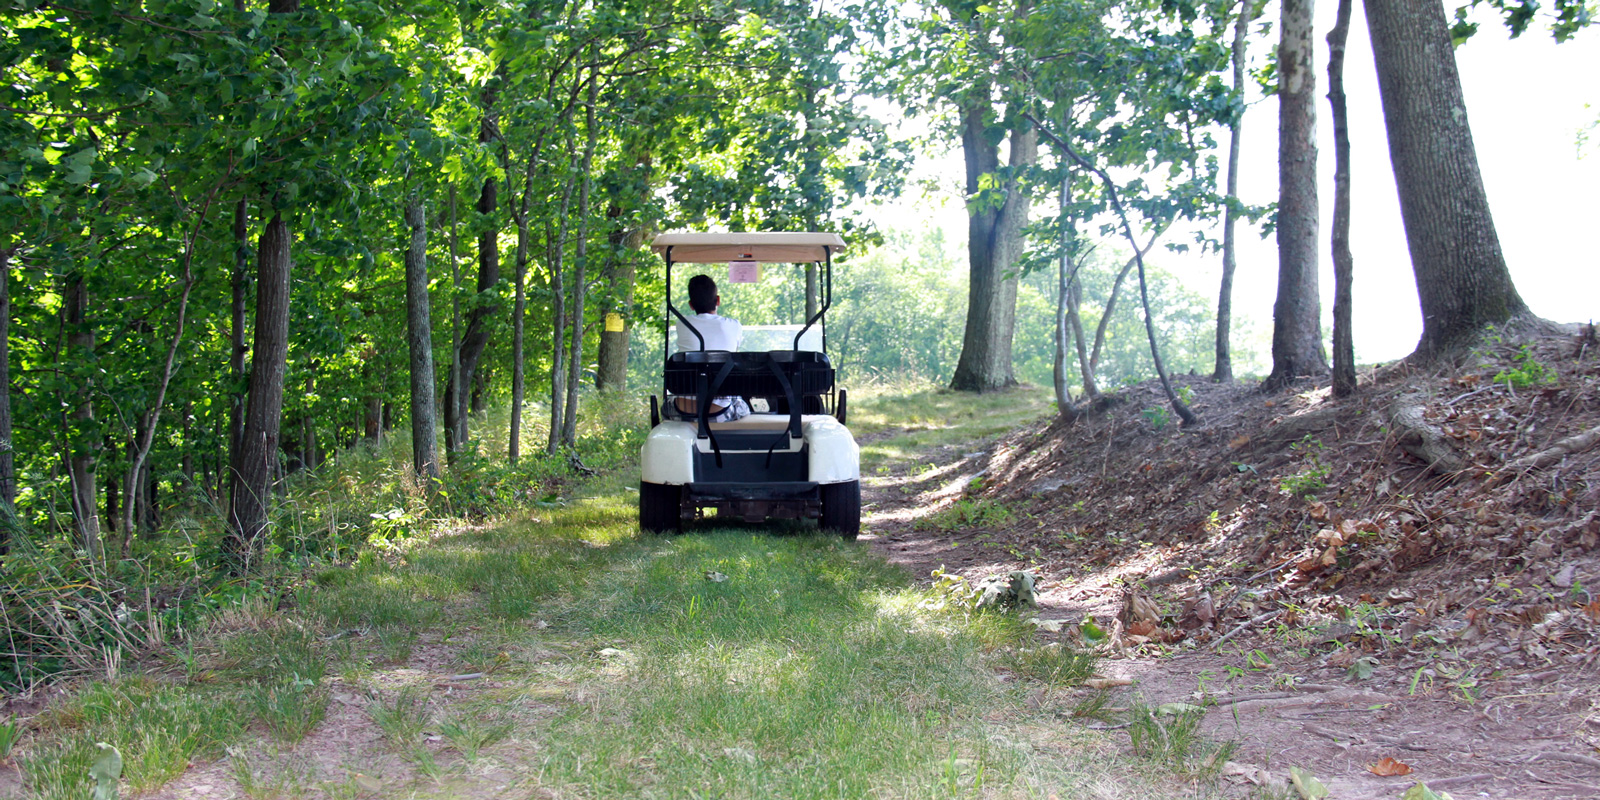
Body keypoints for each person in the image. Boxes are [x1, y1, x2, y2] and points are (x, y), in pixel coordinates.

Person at [672, 274, 750, 422]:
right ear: (718, 300)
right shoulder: (734, 326)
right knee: (744, 408)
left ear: (691, 305)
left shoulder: (682, 324)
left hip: (683, 408)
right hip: (719, 411)